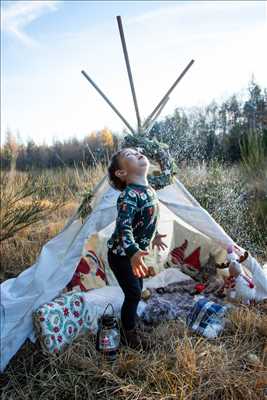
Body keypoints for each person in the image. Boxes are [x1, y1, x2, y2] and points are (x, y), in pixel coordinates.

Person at [107, 147, 167, 349]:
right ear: (121, 173)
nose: (139, 153)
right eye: (130, 155)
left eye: (138, 151)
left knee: (138, 289)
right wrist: (132, 252)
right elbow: (123, 227)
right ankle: (128, 333)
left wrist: (155, 235)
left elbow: (149, 218)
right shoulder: (129, 195)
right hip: (122, 255)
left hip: (135, 255)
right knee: (133, 293)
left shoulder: (149, 190)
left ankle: (131, 321)